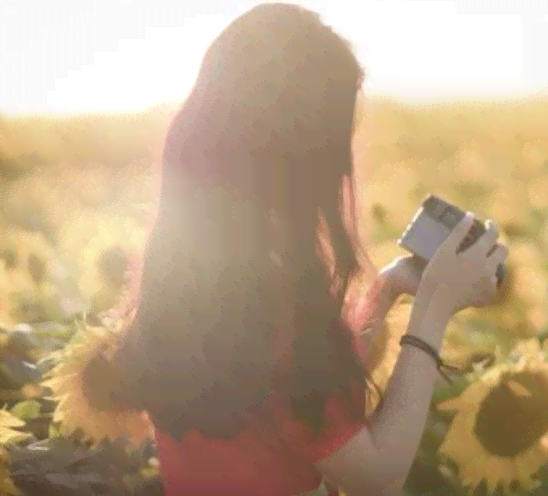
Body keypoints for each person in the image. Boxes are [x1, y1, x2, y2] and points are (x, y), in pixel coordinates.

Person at [77, 3, 507, 496]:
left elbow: (292, 402)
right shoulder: (271, 302)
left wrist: (385, 293)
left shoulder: (189, 274)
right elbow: (376, 474)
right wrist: (433, 309)